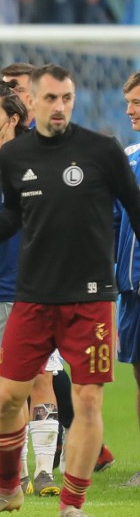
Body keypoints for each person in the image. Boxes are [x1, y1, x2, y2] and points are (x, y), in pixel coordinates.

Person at [0, 64, 140, 517]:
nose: (60, 106)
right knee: (8, 397)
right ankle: (8, 489)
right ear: (33, 102)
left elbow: (134, 211)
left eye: (66, 98)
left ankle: (72, 505)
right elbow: (9, 218)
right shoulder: (16, 155)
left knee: (88, 401)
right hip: (32, 294)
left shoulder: (102, 151)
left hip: (90, 298)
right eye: (50, 98)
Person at [0, 83, 64, 497]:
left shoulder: (38, 156)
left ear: (12, 118)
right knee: (2, 386)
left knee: (42, 377)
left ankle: (45, 471)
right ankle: (16, 473)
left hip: (37, 287)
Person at [110, 70, 140, 488]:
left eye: (138, 103)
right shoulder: (130, 156)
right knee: (139, 375)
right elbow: (111, 220)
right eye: (130, 103)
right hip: (131, 291)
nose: (131, 110)